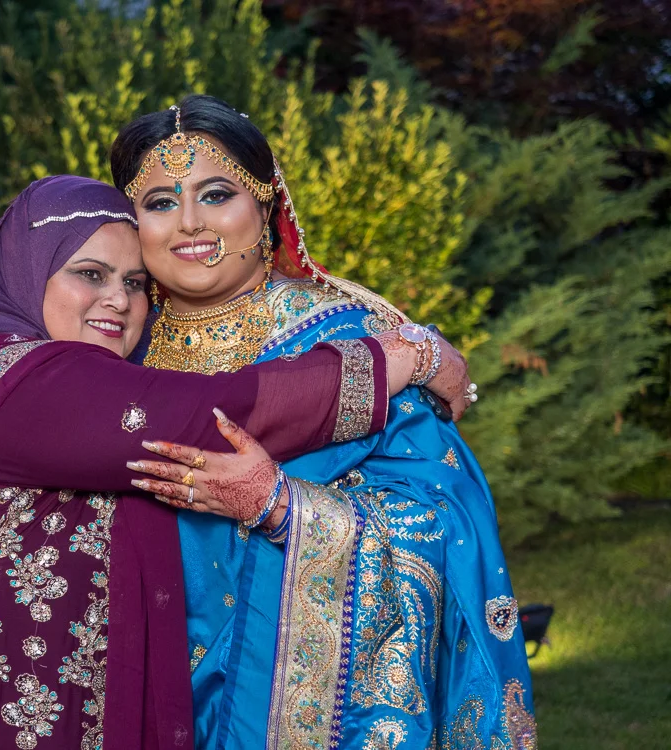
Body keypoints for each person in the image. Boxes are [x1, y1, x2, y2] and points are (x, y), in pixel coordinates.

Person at [0, 175, 471, 750]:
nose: (118, 300)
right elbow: (215, 416)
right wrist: (406, 355)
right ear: (29, 272)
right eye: (90, 274)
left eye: (135, 282)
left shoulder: (27, 374)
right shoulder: (27, 377)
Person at [113, 96, 536, 750]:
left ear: (267, 205)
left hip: (293, 703)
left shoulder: (351, 339)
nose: (190, 222)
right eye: (161, 202)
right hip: (139, 678)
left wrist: (284, 508)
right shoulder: (113, 346)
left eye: (216, 194)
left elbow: (442, 522)